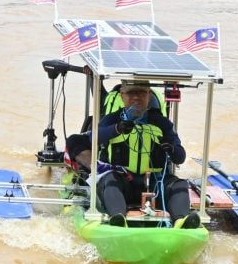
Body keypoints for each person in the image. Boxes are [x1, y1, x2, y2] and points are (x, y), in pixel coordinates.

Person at [64, 80, 200, 229]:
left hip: (153, 184)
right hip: (122, 183)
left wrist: (171, 149)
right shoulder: (112, 119)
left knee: (180, 184)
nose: (136, 97)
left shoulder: (162, 123)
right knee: (109, 180)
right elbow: (93, 138)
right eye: (131, 93)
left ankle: (181, 221)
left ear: (149, 96)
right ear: (122, 96)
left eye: (142, 92)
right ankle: (118, 219)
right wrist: (117, 128)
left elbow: (180, 157)